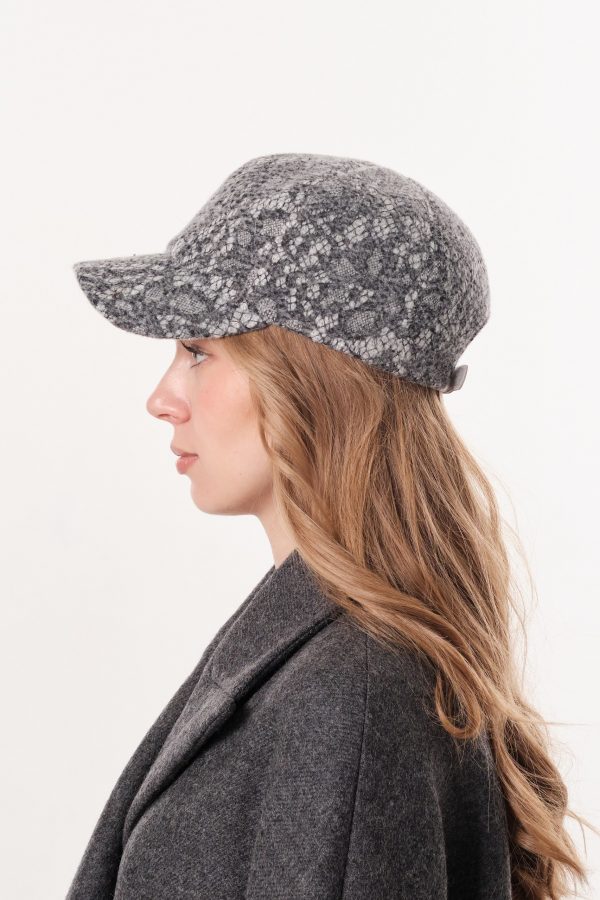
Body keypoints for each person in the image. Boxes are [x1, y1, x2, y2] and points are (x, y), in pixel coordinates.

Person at [66, 153, 594, 899]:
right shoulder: (320, 654)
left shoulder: (353, 692)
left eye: (197, 351)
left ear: (312, 378)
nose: (163, 398)